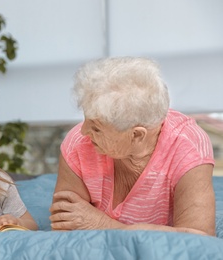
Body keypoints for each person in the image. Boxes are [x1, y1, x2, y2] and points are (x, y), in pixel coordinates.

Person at [49, 57, 216, 236]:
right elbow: (64, 226)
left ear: (136, 135)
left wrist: (102, 224)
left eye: (96, 128)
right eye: (85, 119)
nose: (83, 131)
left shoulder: (188, 148)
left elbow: (199, 239)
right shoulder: (78, 143)